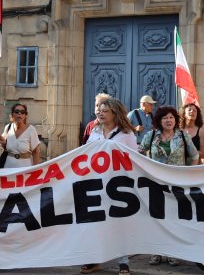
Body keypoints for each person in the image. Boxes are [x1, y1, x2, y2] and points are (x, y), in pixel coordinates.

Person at [81, 97, 136, 275]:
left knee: (119, 223)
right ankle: (94, 259)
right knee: (95, 222)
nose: (100, 113)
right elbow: (86, 153)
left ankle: (123, 262)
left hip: (118, 184)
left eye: (105, 111)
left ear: (115, 113)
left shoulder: (126, 134)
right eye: (99, 110)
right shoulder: (95, 131)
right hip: (96, 182)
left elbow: (134, 159)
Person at [140, 105, 199, 267]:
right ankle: (156, 251)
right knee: (156, 218)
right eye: (165, 117)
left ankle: (173, 252)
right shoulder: (151, 135)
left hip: (177, 184)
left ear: (175, 119)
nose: (168, 120)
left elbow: (195, 156)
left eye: (171, 117)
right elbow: (139, 152)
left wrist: (189, 174)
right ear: (159, 121)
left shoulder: (183, 136)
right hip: (155, 183)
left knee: (174, 218)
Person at [0, 103, 41, 168]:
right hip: (9, 167)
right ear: (12, 114)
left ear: (25, 115)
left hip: (25, 167)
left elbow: (36, 152)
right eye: (17, 111)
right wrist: (3, 143)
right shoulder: (8, 127)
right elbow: (5, 148)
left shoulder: (31, 130)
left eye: (22, 112)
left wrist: (36, 170)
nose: (19, 114)